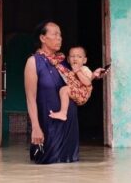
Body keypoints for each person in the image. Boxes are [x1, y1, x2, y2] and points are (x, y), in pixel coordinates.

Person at [24, 21, 106, 164]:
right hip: (48, 126)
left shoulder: (65, 62)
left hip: (69, 126)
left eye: (60, 35)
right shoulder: (33, 62)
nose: (60, 38)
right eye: (55, 34)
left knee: (70, 167)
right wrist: (36, 128)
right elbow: (31, 98)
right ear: (43, 38)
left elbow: (80, 79)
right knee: (49, 166)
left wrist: (94, 75)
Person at [48, 46, 93, 121]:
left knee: (64, 90)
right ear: (68, 59)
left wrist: (78, 72)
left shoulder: (84, 69)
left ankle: (63, 113)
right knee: (64, 81)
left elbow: (88, 82)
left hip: (83, 94)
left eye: (79, 57)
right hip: (76, 92)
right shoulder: (70, 70)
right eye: (72, 56)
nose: (75, 59)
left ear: (84, 60)